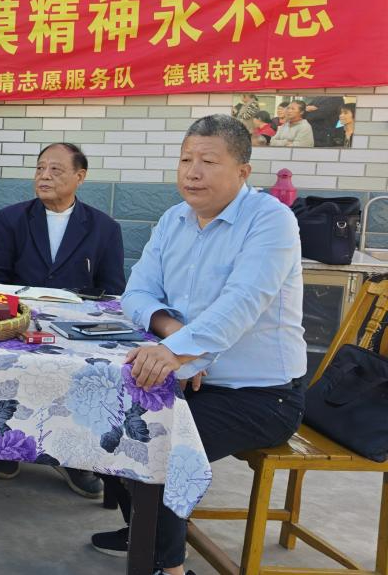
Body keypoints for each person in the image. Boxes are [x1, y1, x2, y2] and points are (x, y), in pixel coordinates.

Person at [88, 115, 307, 575]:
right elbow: (136, 294)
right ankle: (144, 531)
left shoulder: (271, 220)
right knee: (102, 417)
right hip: (186, 379)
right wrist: (178, 341)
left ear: (243, 171)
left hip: (260, 395)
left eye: (208, 161)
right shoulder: (174, 219)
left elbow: (242, 303)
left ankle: (167, 565)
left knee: (156, 442)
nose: (192, 172)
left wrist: (180, 353)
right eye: (186, 160)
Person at [0, 142, 124, 496]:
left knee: (87, 380)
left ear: (80, 176)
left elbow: (112, 291)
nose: (44, 176)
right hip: (19, 321)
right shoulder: (12, 218)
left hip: (76, 328)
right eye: (40, 168)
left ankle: (74, 459)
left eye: (55, 170)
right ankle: (7, 444)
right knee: (6, 370)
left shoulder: (104, 227)